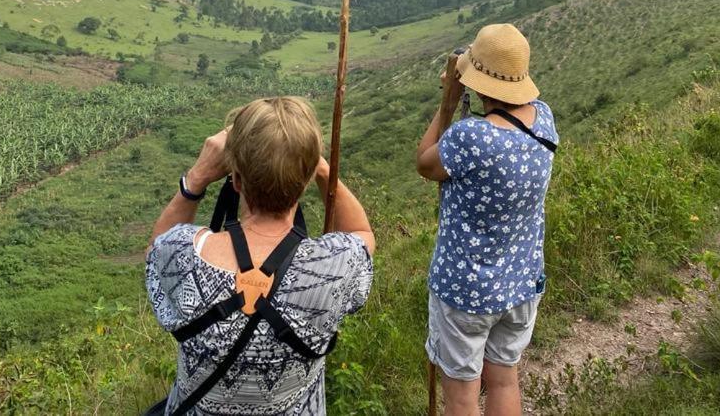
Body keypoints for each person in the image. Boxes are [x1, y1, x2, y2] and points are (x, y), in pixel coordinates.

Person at [145, 96, 375, 415]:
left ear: (236, 180)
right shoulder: (334, 265)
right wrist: (319, 167)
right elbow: (362, 234)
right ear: (306, 179)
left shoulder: (184, 254)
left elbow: (155, 253)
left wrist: (196, 178)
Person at [416, 23, 557, 416]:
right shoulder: (544, 120)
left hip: (465, 291)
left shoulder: (470, 138)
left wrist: (448, 101)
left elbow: (425, 163)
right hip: (522, 282)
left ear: (477, 80)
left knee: (461, 395)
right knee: (504, 379)